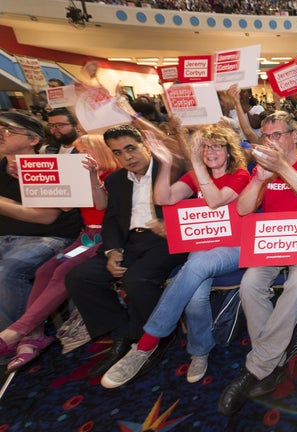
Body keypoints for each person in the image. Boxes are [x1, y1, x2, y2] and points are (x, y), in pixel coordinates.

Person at [100, 125, 250, 388]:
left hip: (234, 246)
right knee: (194, 299)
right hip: (203, 243)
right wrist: (167, 164)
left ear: (228, 149)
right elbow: (164, 197)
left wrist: (198, 167)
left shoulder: (240, 175)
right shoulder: (195, 175)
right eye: (205, 146)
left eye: (216, 145)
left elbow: (215, 200)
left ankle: (146, 343)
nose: (210, 151)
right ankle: (200, 351)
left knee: (196, 266)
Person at [218, 111, 297, 416]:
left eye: (277, 134)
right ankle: (275, 359)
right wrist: (259, 180)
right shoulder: (261, 167)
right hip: (271, 243)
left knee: (296, 285)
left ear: (294, 136)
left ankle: (257, 367)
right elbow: (243, 208)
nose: (270, 141)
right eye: (266, 136)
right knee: (249, 284)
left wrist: (282, 167)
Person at [64, 125, 187, 378]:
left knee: (136, 278)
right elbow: (111, 219)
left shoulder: (174, 169)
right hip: (130, 242)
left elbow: (198, 208)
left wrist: (172, 226)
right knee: (79, 277)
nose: (127, 156)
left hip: (167, 241)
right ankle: (124, 332)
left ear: (145, 144)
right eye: (118, 152)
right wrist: (111, 251)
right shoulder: (115, 180)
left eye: (131, 148)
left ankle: (157, 336)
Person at [0, 134, 119, 372]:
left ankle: (18, 330)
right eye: (77, 151)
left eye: (85, 150)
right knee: (46, 270)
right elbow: (63, 204)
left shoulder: (113, 175)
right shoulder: (79, 175)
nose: (79, 156)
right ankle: (32, 334)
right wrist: (24, 177)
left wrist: (91, 176)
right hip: (85, 238)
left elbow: (102, 204)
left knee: (63, 271)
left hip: (104, 237)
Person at [0, 112, 83, 334]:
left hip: (50, 237)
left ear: (33, 139)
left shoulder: (49, 166)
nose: (0, 134)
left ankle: (13, 339)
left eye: (8, 130)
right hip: (5, 238)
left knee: (9, 270)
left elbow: (45, 216)